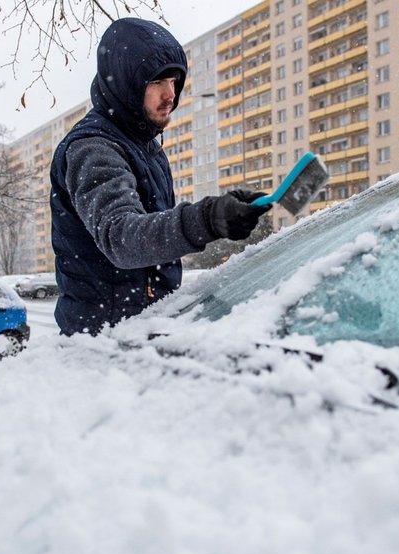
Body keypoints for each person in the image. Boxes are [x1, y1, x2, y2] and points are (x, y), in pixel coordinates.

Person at [50, 17, 271, 336]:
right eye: (156, 82)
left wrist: (220, 212)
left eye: (174, 81)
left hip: (143, 326)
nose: (170, 95)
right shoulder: (94, 148)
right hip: (104, 341)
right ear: (125, 84)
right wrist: (207, 220)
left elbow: (152, 232)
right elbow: (121, 238)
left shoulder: (145, 147)